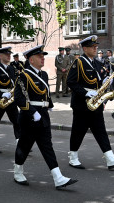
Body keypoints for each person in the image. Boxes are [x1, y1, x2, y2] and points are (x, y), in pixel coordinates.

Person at [12, 45, 77, 189]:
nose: (43, 58)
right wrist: (32, 112)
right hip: (29, 117)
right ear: (31, 59)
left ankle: (58, 177)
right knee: (24, 146)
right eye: (39, 56)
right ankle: (17, 171)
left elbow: (45, 92)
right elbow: (19, 98)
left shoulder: (44, 75)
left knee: (47, 147)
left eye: (43, 56)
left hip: (43, 116)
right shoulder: (23, 75)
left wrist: (50, 104)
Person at [67, 35, 114, 170]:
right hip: (82, 104)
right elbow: (70, 82)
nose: (96, 49)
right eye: (92, 47)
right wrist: (85, 93)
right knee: (78, 131)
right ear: (85, 48)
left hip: (96, 103)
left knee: (100, 131)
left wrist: (107, 83)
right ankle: (73, 157)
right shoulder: (78, 62)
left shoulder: (96, 63)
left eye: (96, 46)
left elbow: (99, 82)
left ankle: (110, 158)